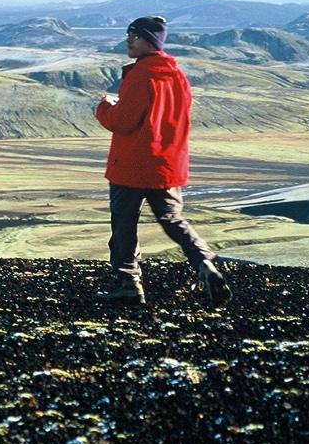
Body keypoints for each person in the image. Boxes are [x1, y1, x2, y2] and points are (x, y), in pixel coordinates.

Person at [92, 16, 230, 306]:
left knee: (124, 225)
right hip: (166, 165)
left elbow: (124, 121)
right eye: (128, 34)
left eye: (135, 35)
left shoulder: (141, 75)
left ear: (150, 41)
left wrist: (104, 107)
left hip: (132, 165)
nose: (129, 40)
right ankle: (205, 262)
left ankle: (128, 284)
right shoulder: (177, 75)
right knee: (173, 219)